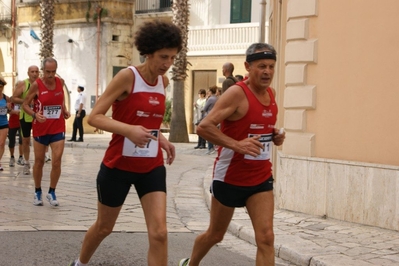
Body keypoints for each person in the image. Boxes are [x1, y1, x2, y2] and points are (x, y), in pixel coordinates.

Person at [68, 20, 181, 266]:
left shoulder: (163, 82)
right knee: (104, 227)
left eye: (172, 58)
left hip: (150, 167)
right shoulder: (127, 76)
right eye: (163, 57)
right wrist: (128, 130)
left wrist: (160, 138)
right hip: (117, 166)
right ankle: (79, 263)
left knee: (159, 233)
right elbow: (95, 116)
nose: (168, 64)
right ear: (148, 52)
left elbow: (148, 120)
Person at [178, 43, 286, 266]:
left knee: (266, 238)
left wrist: (273, 136)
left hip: (260, 177)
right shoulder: (237, 93)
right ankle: (191, 264)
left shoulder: (272, 94)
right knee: (215, 235)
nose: (267, 71)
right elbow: (204, 126)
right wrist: (237, 145)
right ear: (248, 66)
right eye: (261, 66)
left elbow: (258, 128)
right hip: (230, 177)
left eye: (271, 66)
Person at [22, 58, 71, 206]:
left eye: (53, 72)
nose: (51, 75)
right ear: (43, 71)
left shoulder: (60, 82)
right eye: (48, 72)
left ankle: (52, 191)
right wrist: (35, 115)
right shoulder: (37, 85)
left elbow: (60, 98)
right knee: (39, 161)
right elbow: (25, 105)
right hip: (41, 128)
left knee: (56, 161)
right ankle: (37, 191)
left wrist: (64, 109)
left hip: (57, 127)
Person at [11, 65, 40, 175]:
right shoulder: (23, 84)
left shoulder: (42, 84)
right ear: (28, 73)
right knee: (26, 140)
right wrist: (26, 101)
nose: (34, 73)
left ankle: (39, 162)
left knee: (39, 141)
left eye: (36, 71)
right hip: (26, 116)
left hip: (39, 116)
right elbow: (14, 98)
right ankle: (26, 163)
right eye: (32, 71)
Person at [201, 85, 218, 155]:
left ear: (211, 91)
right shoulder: (217, 98)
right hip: (215, 116)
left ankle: (210, 147)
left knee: (208, 133)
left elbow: (204, 109)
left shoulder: (210, 99)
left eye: (208, 91)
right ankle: (213, 146)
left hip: (208, 116)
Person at [8, 99, 23, 167]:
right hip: (12, 123)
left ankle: (21, 157)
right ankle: (12, 157)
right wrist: (14, 111)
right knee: (11, 141)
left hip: (21, 122)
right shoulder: (12, 100)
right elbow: (8, 111)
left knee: (21, 140)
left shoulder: (24, 99)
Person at [0, 77, 10, 171]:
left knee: (2, 144)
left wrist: (9, 108)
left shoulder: (6, 98)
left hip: (3, 122)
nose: (0, 88)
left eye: (1, 86)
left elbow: (9, 111)